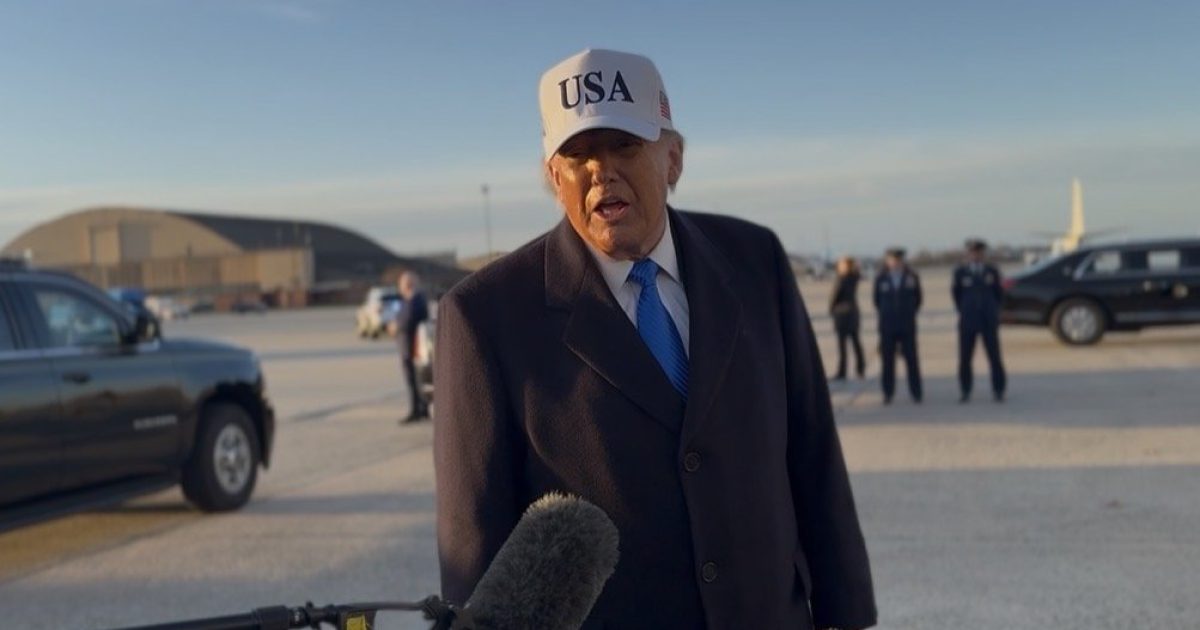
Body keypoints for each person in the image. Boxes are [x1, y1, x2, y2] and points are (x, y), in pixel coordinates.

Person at [434, 49, 876, 630]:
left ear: (673, 158)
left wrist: (847, 614)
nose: (601, 171)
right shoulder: (485, 315)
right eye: (578, 155)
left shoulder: (754, 262)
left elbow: (813, 457)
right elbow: (474, 542)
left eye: (624, 146)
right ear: (552, 177)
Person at [953, 238, 1007, 402]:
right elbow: (956, 295)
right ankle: (965, 390)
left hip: (988, 320)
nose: (976, 255)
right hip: (968, 321)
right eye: (973, 252)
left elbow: (999, 294)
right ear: (968, 254)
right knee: (965, 359)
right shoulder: (960, 272)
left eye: (979, 252)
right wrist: (965, 310)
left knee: (995, 357)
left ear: (983, 254)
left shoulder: (992, 271)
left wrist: (992, 311)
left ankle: (998, 390)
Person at [873, 247, 923, 404]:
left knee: (912, 361)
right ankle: (888, 393)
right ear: (888, 261)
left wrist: (908, 314)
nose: (895, 262)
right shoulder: (881, 278)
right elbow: (876, 301)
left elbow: (918, 299)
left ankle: (916, 393)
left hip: (907, 326)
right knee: (887, 362)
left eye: (898, 260)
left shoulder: (911, 277)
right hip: (887, 327)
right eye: (892, 259)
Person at [388, 270, 429, 423]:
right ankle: (421, 408)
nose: (400, 287)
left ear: (408, 284)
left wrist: (395, 326)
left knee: (414, 380)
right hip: (406, 346)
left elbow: (408, 321)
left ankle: (416, 410)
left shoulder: (416, 300)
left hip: (412, 347)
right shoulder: (408, 300)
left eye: (401, 284)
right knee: (414, 380)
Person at [829, 256, 866, 380]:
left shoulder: (842, 279)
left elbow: (835, 297)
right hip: (853, 314)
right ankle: (860, 369)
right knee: (856, 343)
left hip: (842, 315)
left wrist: (831, 309)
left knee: (842, 346)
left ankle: (842, 372)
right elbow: (857, 272)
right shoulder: (854, 278)